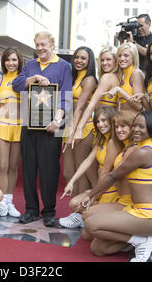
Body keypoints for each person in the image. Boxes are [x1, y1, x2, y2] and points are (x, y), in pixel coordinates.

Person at [79, 111, 152, 262]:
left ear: (151, 128)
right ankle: (136, 240)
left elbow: (112, 176)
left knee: (91, 225)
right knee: (97, 248)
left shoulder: (142, 152)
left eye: (142, 126)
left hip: (147, 215)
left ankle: (144, 241)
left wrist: (90, 195)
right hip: (135, 210)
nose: (136, 129)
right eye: (135, 126)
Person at [12, 31, 72, 227]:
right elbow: (16, 85)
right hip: (29, 125)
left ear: (52, 45)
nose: (39, 48)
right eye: (37, 44)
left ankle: (48, 211)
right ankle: (30, 209)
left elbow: (65, 95)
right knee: (29, 169)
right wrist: (33, 78)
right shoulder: (30, 65)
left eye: (43, 44)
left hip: (52, 126)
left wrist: (58, 120)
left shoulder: (63, 66)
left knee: (49, 170)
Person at [60, 105, 120, 228]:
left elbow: (106, 172)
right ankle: (85, 215)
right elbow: (88, 161)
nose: (100, 124)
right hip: (101, 187)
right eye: (97, 121)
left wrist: (92, 194)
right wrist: (71, 182)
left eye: (104, 120)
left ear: (111, 121)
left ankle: (85, 215)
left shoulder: (113, 143)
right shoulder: (102, 139)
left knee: (77, 204)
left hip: (111, 191)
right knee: (74, 203)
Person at [80, 110, 136, 241]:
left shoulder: (134, 149)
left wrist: (93, 195)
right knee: (91, 240)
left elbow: (111, 176)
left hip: (128, 202)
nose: (119, 130)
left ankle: (140, 239)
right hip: (117, 195)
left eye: (123, 126)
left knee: (88, 219)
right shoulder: (121, 145)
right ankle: (129, 238)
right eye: (116, 126)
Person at [59, 46, 97, 227]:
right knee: (68, 172)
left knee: (81, 175)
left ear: (90, 61)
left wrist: (72, 132)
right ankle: (76, 211)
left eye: (83, 58)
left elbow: (80, 107)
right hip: (68, 127)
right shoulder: (73, 77)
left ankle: (80, 214)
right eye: (76, 57)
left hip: (83, 129)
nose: (79, 60)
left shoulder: (89, 79)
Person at [0, 47, 23, 218]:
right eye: (8, 60)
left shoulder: (24, 79)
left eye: (14, 60)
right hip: (2, 125)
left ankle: (9, 202)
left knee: (13, 167)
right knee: (2, 166)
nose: (11, 63)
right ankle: (1, 203)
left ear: (19, 61)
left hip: (19, 126)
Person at [104, 42, 144, 115]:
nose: (122, 58)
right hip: (123, 122)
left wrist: (119, 90)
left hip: (133, 122)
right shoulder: (122, 76)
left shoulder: (136, 73)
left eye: (126, 55)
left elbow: (139, 106)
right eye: (119, 55)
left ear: (133, 57)